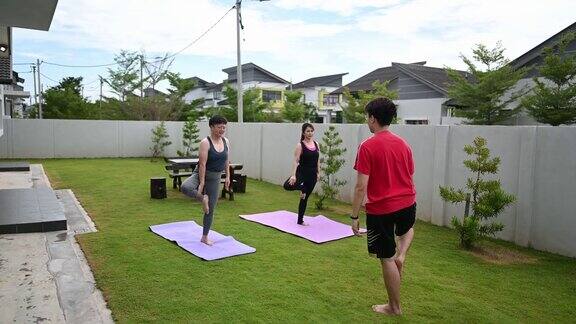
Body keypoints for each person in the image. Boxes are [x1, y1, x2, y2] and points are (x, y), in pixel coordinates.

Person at [351, 97, 416, 316]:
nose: (367, 121)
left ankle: (394, 307)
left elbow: (361, 186)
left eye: (367, 117)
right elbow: (409, 173)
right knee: (407, 230)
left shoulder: (367, 146)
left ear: (373, 118)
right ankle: (403, 254)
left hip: (382, 209)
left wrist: (354, 216)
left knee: (386, 258)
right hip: (408, 202)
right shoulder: (404, 144)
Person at [181, 115, 230, 245]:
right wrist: (202, 183)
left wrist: (228, 177)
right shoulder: (205, 142)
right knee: (185, 187)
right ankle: (203, 199)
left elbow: (226, 160)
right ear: (212, 127)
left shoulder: (226, 141)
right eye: (220, 127)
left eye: (224, 127)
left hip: (215, 177)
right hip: (201, 173)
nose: (222, 129)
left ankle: (204, 236)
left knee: (210, 209)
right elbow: (202, 164)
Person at [283, 123, 320, 225]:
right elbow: (296, 160)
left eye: (311, 131)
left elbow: (317, 160)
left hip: (312, 174)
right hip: (302, 172)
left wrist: (318, 173)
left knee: (304, 198)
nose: (310, 133)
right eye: (308, 131)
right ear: (303, 133)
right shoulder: (300, 145)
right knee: (287, 185)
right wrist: (293, 175)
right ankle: (302, 188)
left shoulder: (316, 144)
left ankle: (300, 220)